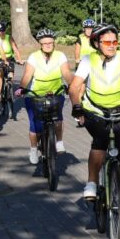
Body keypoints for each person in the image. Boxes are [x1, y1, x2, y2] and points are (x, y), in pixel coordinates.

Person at [68, 24, 120, 216]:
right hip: (94, 111)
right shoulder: (89, 60)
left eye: (115, 42)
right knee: (100, 142)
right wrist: (76, 105)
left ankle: (119, 194)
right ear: (97, 43)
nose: (112, 46)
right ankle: (91, 182)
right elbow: (74, 87)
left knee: (119, 156)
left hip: (119, 110)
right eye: (107, 42)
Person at [17, 28, 73, 163]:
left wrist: (71, 84)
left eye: (50, 43)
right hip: (35, 94)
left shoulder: (60, 55)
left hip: (55, 93)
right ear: (40, 44)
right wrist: (22, 88)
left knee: (58, 119)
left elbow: (66, 72)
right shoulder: (34, 57)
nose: (48, 45)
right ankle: (33, 149)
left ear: (54, 43)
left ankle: (59, 142)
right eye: (45, 43)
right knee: (35, 125)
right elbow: (27, 74)